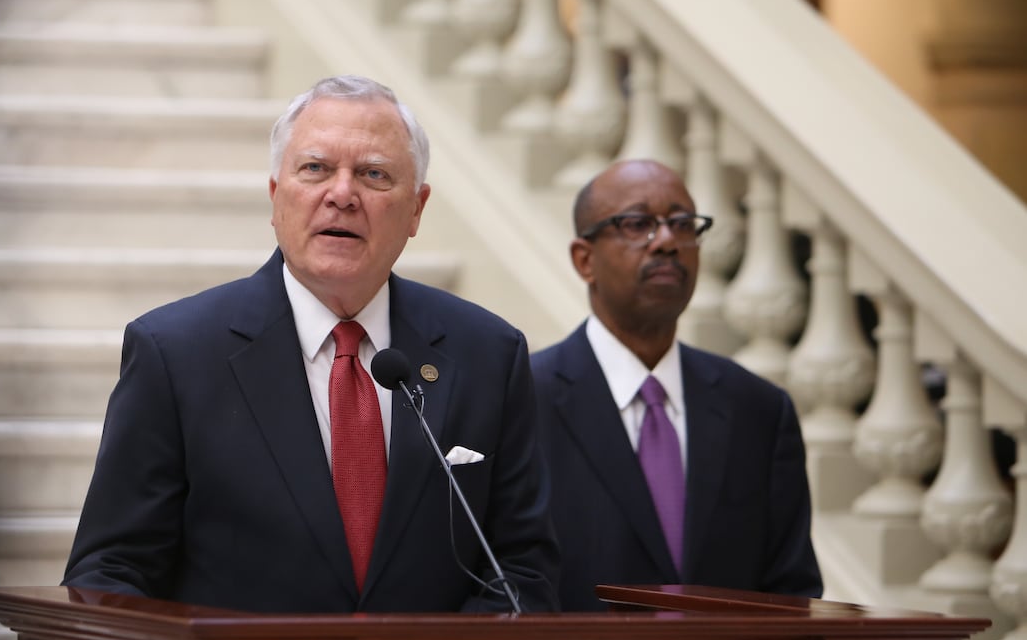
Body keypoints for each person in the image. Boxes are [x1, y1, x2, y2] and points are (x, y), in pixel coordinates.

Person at [63, 75, 559, 613]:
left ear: (416, 209)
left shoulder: (487, 353)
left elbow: (521, 567)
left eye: (374, 174)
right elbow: (111, 570)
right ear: (277, 198)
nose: (342, 195)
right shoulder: (176, 353)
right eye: (316, 169)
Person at [531, 158, 823, 611]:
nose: (667, 241)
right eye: (637, 223)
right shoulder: (523, 399)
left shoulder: (759, 411)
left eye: (683, 223)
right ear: (584, 259)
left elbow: (791, 594)